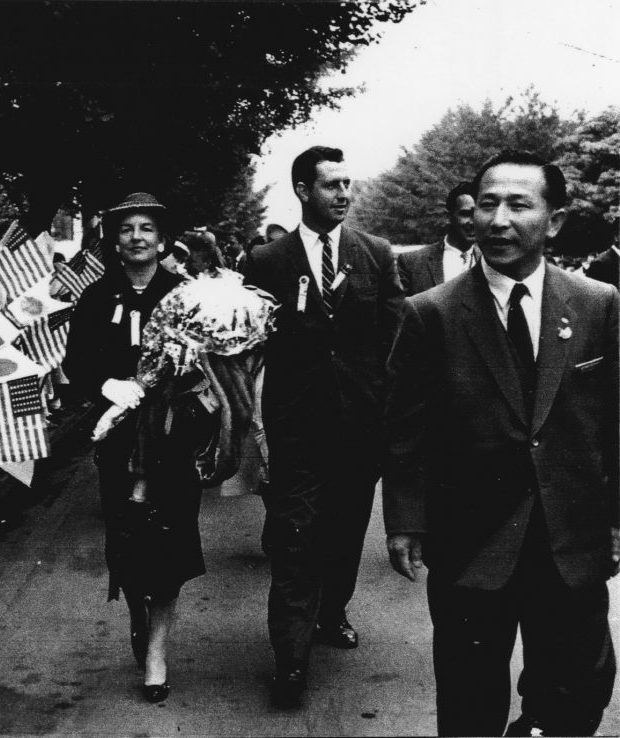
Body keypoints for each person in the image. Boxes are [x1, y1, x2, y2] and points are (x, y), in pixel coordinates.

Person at [384, 150, 619, 736]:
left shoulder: (598, 304)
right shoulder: (431, 313)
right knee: (470, 700)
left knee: (578, 689)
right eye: (487, 204)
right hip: (472, 541)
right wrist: (405, 520)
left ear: (554, 220)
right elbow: (407, 429)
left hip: (570, 539)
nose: (498, 219)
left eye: (519, 204)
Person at [242, 145, 404, 708]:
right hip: (296, 428)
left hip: (360, 427)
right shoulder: (267, 260)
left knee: (346, 530)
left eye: (347, 184)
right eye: (332, 185)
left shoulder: (375, 253)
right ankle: (290, 660)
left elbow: (395, 336)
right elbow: (251, 343)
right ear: (303, 191)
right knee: (295, 540)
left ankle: (332, 612)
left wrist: (387, 407)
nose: (343, 194)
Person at [63, 192, 203, 704]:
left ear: (163, 241)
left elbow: (207, 363)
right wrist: (107, 385)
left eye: (147, 228)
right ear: (116, 241)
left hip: (173, 440)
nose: (137, 237)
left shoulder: (186, 295)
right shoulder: (97, 297)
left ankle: (157, 652)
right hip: (120, 440)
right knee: (126, 543)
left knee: (170, 546)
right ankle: (138, 615)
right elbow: (77, 362)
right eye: (126, 229)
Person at [397, 182, 478, 296]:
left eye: (477, 215)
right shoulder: (412, 263)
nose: (473, 222)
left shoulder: (490, 262)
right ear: (448, 217)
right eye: (465, 214)